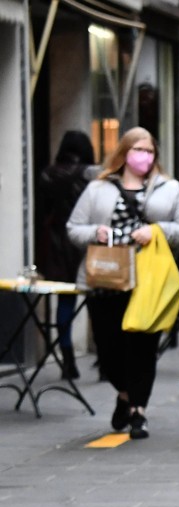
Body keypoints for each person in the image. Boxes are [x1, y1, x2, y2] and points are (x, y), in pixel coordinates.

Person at [67, 127, 179, 439]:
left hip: (148, 280)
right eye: (138, 150)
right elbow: (74, 228)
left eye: (150, 151)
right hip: (106, 279)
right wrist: (95, 233)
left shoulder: (169, 189)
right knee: (108, 347)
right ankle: (124, 393)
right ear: (124, 152)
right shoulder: (99, 188)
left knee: (143, 345)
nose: (145, 156)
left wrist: (158, 231)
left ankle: (138, 410)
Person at [35, 130, 99, 380]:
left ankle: (67, 358)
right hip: (85, 244)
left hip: (55, 246)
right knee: (96, 301)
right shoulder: (89, 176)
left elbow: (42, 212)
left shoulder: (47, 175)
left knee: (64, 302)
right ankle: (104, 360)